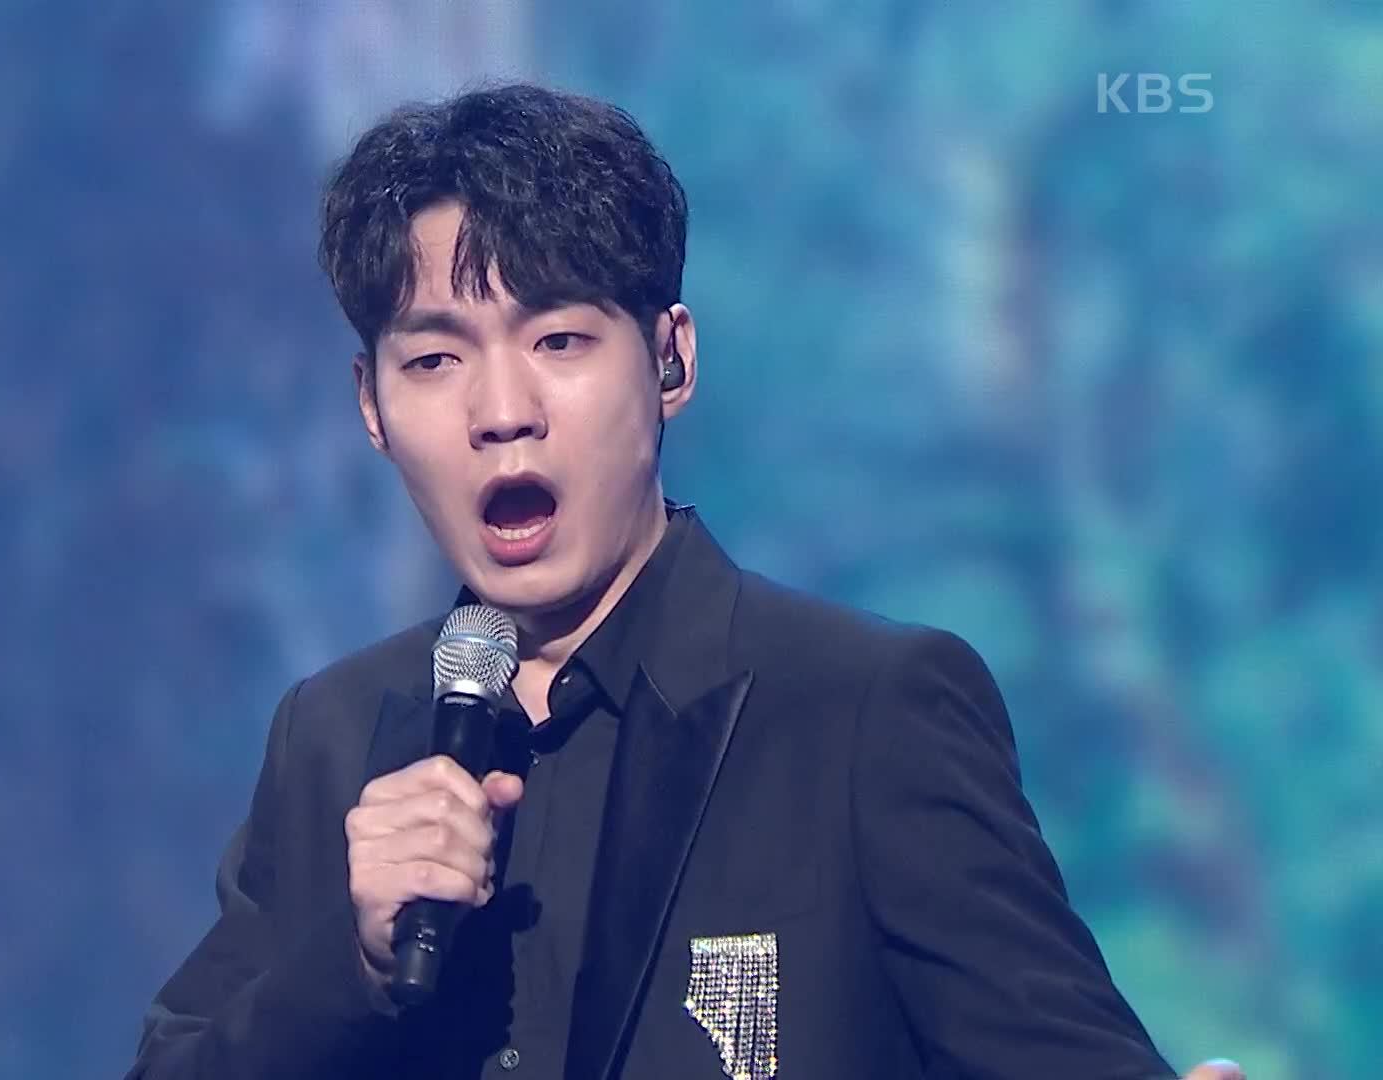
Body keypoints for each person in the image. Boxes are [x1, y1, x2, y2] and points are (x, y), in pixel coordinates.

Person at [128, 83, 1244, 1080]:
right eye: (434, 360)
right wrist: (353, 962)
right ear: (372, 408)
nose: (501, 411)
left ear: (671, 360)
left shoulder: (865, 712)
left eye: (559, 341)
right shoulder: (334, 735)